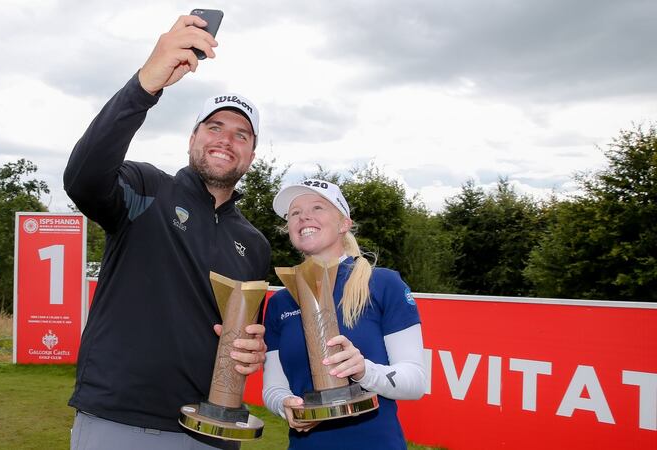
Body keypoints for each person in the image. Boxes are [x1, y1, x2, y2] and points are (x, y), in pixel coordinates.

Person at [63, 14, 270, 450]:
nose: (226, 139)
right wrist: (146, 85)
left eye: (241, 134)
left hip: (213, 433)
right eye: (214, 127)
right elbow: (82, 177)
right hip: (120, 422)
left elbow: (245, 335)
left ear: (251, 154)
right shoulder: (147, 189)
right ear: (192, 137)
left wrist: (252, 351)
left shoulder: (254, 244)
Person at [262, 179, 426, 449]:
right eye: (294, 213)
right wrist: (284, 405)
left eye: (318, 207)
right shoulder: (281, 301)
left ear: (344, 224)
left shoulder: (383, 284)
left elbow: (416, 381)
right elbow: (273, 388)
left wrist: (364, 371)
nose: (304, 216)